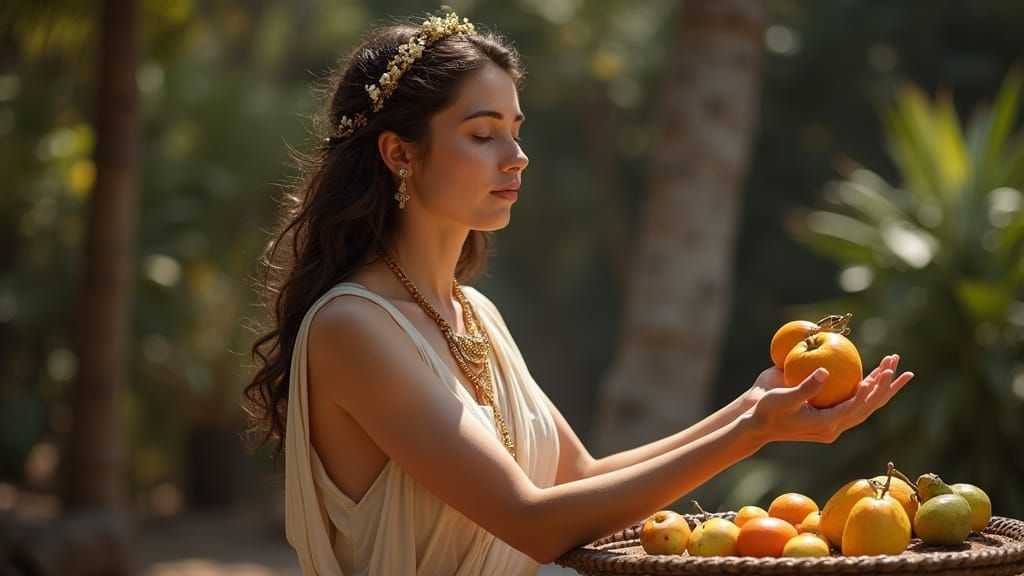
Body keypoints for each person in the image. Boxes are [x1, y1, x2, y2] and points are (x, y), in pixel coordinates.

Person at [243, 12, 914, 575]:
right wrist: (750, 432)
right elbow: (533, 523)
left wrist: (756, 405)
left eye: (516, 128)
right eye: (483, 134)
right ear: (399, 154)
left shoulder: (475, 314)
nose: (516, 154)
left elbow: (577, 481)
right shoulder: (354, 328)